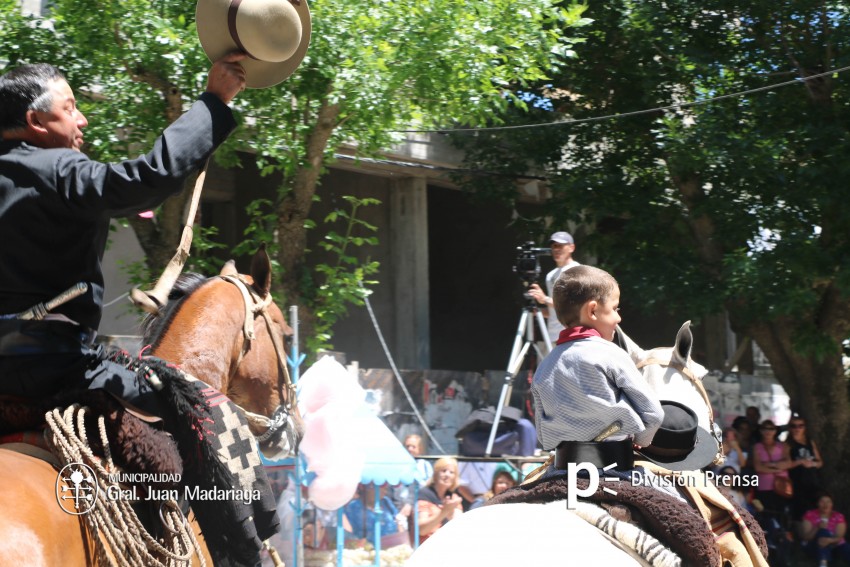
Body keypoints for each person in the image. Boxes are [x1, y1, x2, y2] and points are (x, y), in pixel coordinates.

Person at [0, 56, 246, 412]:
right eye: (69, 109)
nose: (82, 119)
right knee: (192, 414)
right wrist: (214, 102)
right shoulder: (60, 169)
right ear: (35, 121)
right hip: (57, 366)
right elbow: (149, 177)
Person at [530, 265, 664, 473]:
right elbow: (653, 413)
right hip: (616, 466)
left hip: (562, 469)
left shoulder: (544, 366)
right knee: (675, 503)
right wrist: (642, 440)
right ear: (593, 310)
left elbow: (542, 431)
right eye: (615, 309)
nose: (619, 318)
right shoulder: (612, 353)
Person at [527, 231, 581, 344]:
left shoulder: (577, 270)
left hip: (571, 336)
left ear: (572, 247)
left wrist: (544, 299)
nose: (556, 249)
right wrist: (535, 310)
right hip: (552, 338)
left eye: (560, 245)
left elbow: (572, 306)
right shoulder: (550, 275)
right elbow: (553, 311)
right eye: (554, 246)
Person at [415, 457, 464, 544]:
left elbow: (461, 528)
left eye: (451, 472)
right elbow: (421, 530)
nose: (447, 475)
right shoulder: (424, 495)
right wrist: (443, 512)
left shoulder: (454, 498)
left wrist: (452, 514)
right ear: (436, 474)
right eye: (444, 471)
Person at [751, 419, 792, 518]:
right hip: (765, 486)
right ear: (760, 431)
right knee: (766, 514)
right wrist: (777, 467)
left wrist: (767, 465)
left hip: (782, 486)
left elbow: (788, 463)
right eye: (765, 428)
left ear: (775, 431)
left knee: (782, 514)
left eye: (771, 428)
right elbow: (758, 467)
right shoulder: (757, 447)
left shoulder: (783, 446)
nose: (768, 431)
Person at [343, 483, 406, 547]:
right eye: (381, 485)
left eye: (385, 485)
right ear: (366, 488)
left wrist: (402, 542)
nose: (385, 488)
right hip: (369, 551)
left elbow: (398, 521)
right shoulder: (353, 507)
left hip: (393, 548)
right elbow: (348, 535)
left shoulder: (386, 501)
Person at [785, 416, 823, 521]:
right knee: (801, 512)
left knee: (815, 509)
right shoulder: (788, 444)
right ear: (790, 428)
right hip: (797, 483)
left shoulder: (810, 442)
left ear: (805, 427)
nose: (797, 429)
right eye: (794, 426)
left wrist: (812, 464)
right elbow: (786, 464)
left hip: (813, 482)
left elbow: (820, 462)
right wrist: (800, 462)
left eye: (800, 426)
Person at [800, 493, 850, 567]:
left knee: (846, 548)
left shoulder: (838, 516)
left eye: (828, 502)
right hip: (815, 546)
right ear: (818, 503)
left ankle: (826, 559)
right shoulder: (810, 515)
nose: (825, 504)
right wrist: (817, 527)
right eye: (822, 501)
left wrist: (829, 540)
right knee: (823, 531)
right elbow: (806, 537)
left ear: (832, 504)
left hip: (834, 545)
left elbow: (839, 536)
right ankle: (823, 563)